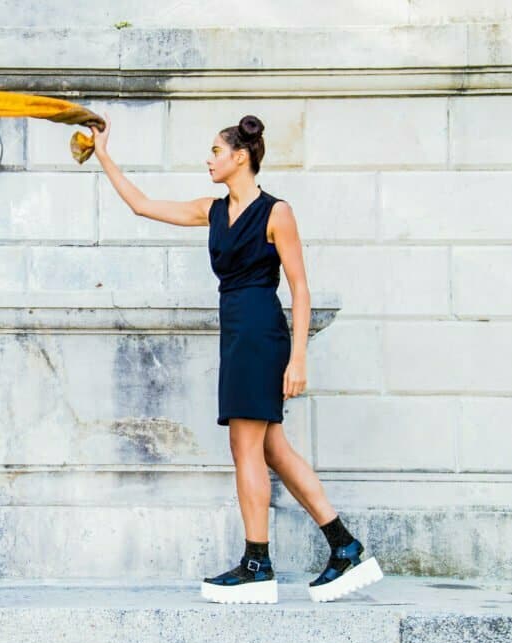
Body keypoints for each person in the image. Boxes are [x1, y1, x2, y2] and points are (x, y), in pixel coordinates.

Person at [91, 111, 384, 604]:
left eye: (215, 152)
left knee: (246, 449)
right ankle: (344, 546)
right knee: (272, 449)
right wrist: (104, 155)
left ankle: (257, 564)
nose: (208, 160)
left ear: (240, 157)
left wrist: (299, 358)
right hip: (237, 334)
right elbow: (142, 205)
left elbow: (300, 288)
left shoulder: (277, 213)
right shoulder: (211, 209)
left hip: (261, 334)